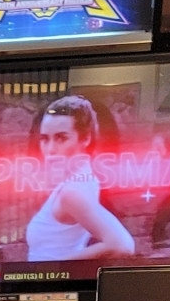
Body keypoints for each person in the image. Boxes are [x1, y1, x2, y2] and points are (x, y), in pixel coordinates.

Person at [25, 95, 135, 263]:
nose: (50, 149)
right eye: (45, 139)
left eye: (61, 138)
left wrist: (50, 269)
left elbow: (122, 245)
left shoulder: (73, 192)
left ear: (85, 138)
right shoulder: (80, 180)